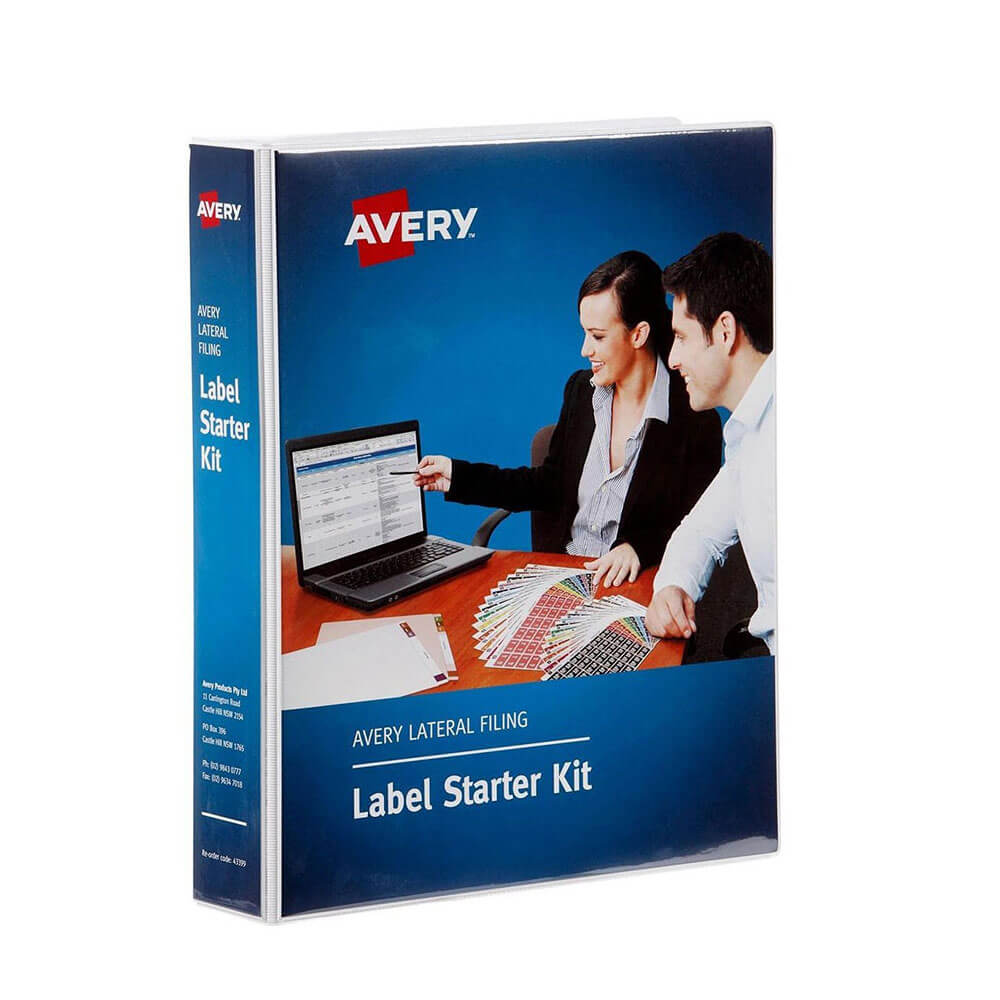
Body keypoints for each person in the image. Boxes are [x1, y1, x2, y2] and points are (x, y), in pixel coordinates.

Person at [415, 251, 722, 589]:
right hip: (563, 575)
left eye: (598, 336)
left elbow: (701, 527)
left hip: (635, 585)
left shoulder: (694, 419)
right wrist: (457, 476)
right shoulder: (581, 391)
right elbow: (547, 485)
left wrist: (639, 547)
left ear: (639, 334)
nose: (584, 349)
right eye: (584, 333)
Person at [646, 233, 775, 652]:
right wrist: (672, 585)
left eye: (682, 337)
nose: (672, 359)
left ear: (724, 332)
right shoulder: (750, 428)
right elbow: (700, 531)